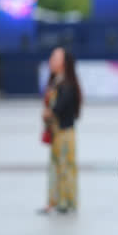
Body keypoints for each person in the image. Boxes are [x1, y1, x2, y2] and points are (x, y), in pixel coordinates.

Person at [39, 47, 82, 215]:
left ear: (64, 63)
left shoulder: (67, 85)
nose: (51, 60)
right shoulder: (56, 82)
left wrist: (49, 113)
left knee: (64, 167)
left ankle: (65, 201)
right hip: (57, 133)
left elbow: (59, 109)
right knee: (56, 166)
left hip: (64, 133)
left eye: (55, 58)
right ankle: (56, 201)